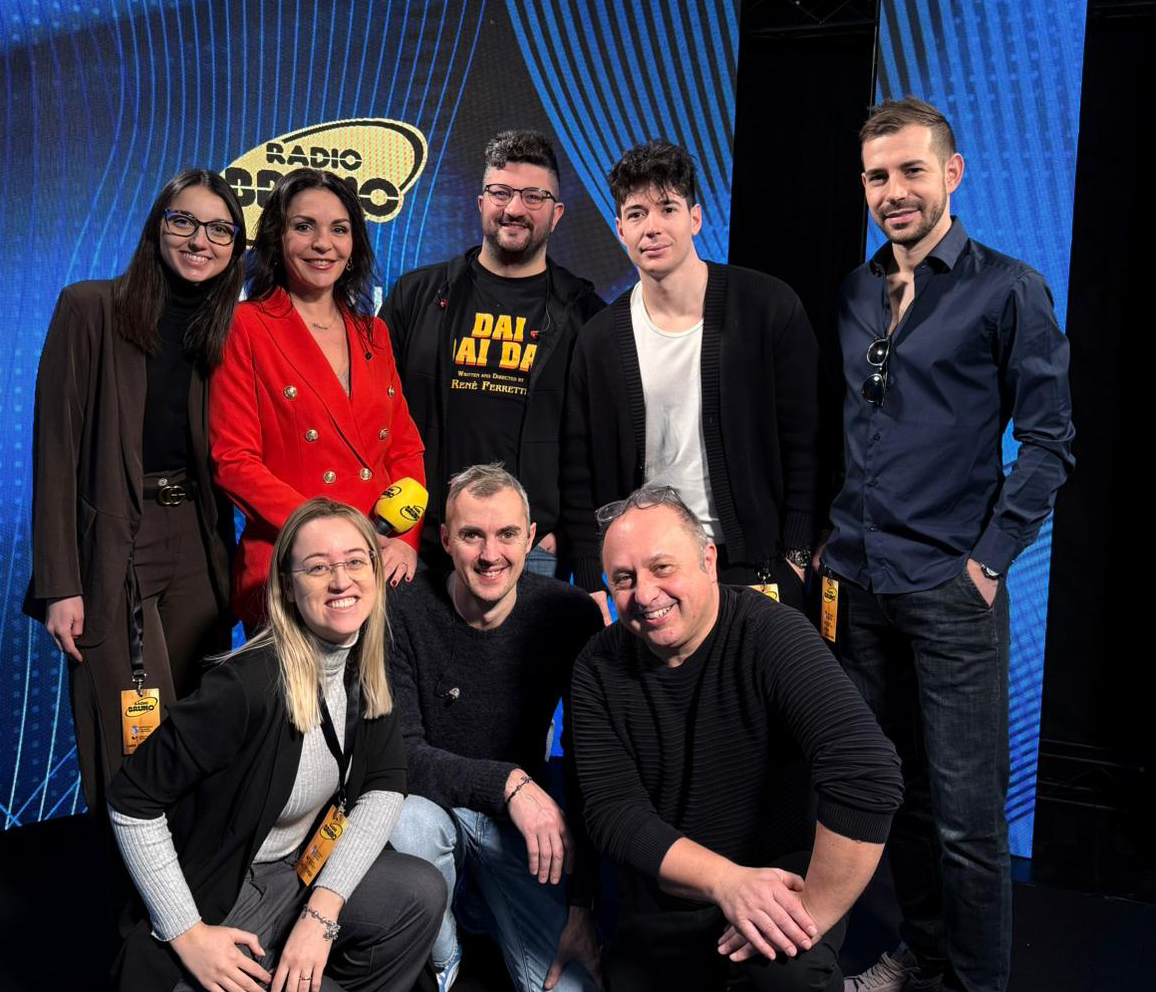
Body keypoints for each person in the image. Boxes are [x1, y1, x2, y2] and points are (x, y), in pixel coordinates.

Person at [821, 96, 1076, 992]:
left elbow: (1050, 441)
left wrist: (988, 561)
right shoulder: (855, 290)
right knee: (893, 796)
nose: (895, 193)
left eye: (911, 172)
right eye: (878, 177)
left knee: (970, 818)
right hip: (858, 584)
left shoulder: (1009, 289)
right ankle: (921, 952)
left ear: (953, 173)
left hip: (948, 592)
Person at [570, 486, 902, 992]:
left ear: (709, 559)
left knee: (790, 969)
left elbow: (869, 773)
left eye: (662, 567)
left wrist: (810, 912)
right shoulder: (597, 665)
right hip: (677, 890)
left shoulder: (772, 634)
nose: (644, 594)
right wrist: (725, 882)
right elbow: (612, 813)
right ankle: (715, 979)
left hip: (778, 876)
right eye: (623, 578)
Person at [103, 498, 446, 992]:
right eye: (318, 567)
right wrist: (187, 934)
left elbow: (385, 783)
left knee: (419, 890)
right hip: (216, 915)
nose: (341, 580)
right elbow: (130, 803)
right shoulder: (246, 686)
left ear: (376, 572)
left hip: (287, 881)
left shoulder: (362, 661)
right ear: (287, 587)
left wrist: (322, 913)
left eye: (355, 562)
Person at [24, 169, 245, 817]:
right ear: (157, 226)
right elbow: (55, 453)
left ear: (236, 247)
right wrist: (60, 584)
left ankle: (191, 874)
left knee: (199, 724)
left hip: (199, 542)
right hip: (115, 539)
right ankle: (131, 876)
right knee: (129, 738)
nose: (200, 240)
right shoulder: (89, 308)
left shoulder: (230, 328)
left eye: (219, 229)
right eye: (184, 221)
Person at [385, 463, 603, 992]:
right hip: (433, 806)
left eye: (506, 534)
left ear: (530, 538)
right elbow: (401, 754)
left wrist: (581, 905)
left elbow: (587, 764)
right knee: (406, 822)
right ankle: (440, 952)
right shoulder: (403, 608)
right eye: (471, 535)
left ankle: (476, 897)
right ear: (444, 539)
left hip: (515, 828)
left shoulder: (568, 614)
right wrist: (510, 783)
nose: (490, 554)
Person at [562, 140, 822, 615]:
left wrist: (797, 556)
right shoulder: (598, 340)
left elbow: (806, 442)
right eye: (637, 214)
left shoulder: (768, 307)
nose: (653, 227)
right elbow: (578, 470)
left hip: (754, 565)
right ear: (620, 229)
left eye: (668, 208)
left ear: (695, 218)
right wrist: (591, 576)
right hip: (649, 571)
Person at [380, 130, 604, 576]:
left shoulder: (586, 316)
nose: (514, 208)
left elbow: (597, 445)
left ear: (557, 214)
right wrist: (392, 529)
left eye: (534, 196)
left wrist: (573, 539)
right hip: (420, 543)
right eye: (501, 192)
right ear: (481, 201)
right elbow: (374, 417)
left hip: (530, 549)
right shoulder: (415, 296)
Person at [210, 168, 425, 628]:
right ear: (277, 238)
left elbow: (405, 450)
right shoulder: (245, 326)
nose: (323, 244)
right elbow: (234, 461)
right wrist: (324, 534)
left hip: (374, 566)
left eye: (339, 229)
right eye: (304, 226)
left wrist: (405, 540)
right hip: (292, 567)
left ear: (354, 246)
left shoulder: (375, 332)